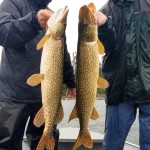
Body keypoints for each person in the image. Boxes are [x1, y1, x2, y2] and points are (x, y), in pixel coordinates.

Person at [0, 0, 76, 150]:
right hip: (14, 95)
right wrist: (33, 21)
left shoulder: (53, 16)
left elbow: (62, 53)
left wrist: (71, 81)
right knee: (7, 145)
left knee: (46, 145)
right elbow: (3, 33)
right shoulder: (12, 3)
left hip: (45, 95)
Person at [97, 0, 150, 149]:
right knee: (112, 143)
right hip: (120, 88)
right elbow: (107, 47)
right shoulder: (105, 11)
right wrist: (103, 26)